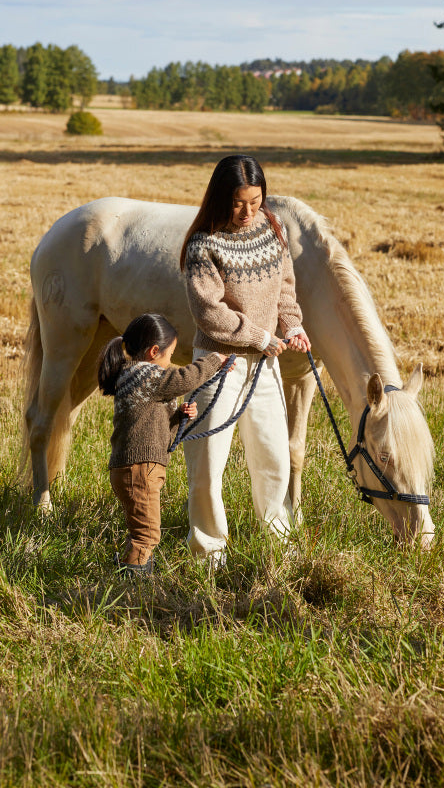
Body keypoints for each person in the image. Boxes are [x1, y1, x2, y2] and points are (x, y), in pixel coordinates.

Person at [180, 154, 311, 562]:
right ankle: (207, 552)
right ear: (222, 197)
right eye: (239, 202)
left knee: (273, 458)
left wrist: (291, 326)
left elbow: (285, 288)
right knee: (206, 466)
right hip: (218, 365)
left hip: (265, 365)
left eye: (255, 201)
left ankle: (279, 546)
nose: (248, 211)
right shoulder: (203, 244)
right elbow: (208, 311)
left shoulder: (272, 229)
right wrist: (259, 337)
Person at [97, 312, 230, 577]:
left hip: (135, 467)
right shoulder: (145, 373)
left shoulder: (134, 376)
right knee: (147, 534)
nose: (170, 362)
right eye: (169, 355)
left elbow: (150, 422)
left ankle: (132, 566)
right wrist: (215, 359)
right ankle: (134, 580)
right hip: (140, 469)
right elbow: (184, 379)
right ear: (154, 351)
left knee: (141, 529)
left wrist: (178, 416)